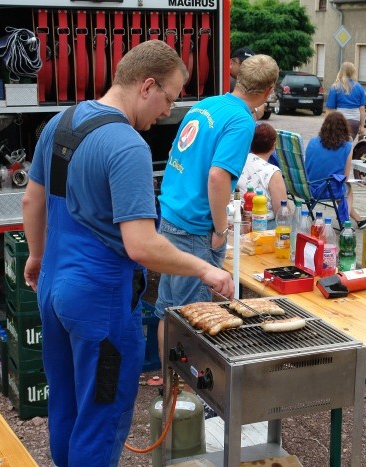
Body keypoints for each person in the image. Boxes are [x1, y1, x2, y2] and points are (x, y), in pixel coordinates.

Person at [21, 40, 234, 467]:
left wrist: (36, 256)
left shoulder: (61, 123)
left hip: (53, 288)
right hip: (98, 302)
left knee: (65, 406)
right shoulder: (127, 146)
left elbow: (32, 202)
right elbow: (141, 245)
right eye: (168, 99)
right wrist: (204, 269)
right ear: (147, 85)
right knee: (100, 418)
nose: (166, 113)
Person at [155, 54, 279, 358]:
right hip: (196, 226)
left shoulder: (207, 104)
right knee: (199, 318)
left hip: (170, 215)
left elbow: (176, 151)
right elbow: (217, 176)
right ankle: (195, 398)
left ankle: (171, 388)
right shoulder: (241, 120)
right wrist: (222, 229)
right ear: (268, 90)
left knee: (168, 311)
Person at [304, 111, 366, 229]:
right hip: (328, 190)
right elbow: (345, 177)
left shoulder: (312, 142)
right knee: (346, 188)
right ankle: (345, 222)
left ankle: (358, 219)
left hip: (308, 188)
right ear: (344, 128)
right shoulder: (347, 147)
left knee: (335, 184)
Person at [235, 122, 286, 228]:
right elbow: (281, 212)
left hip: (238, 219)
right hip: (263, 224)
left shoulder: (239, 161)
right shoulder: (272, 172)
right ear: (273, 145)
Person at [325, 62, 366, 141]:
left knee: (338, 145)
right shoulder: (359, 87)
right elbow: (362, 109)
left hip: (340, 121)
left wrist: (327, 125)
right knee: (349, 144)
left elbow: (329, 109)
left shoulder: (335, 87)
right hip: (355, 121)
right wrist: (362, 126)